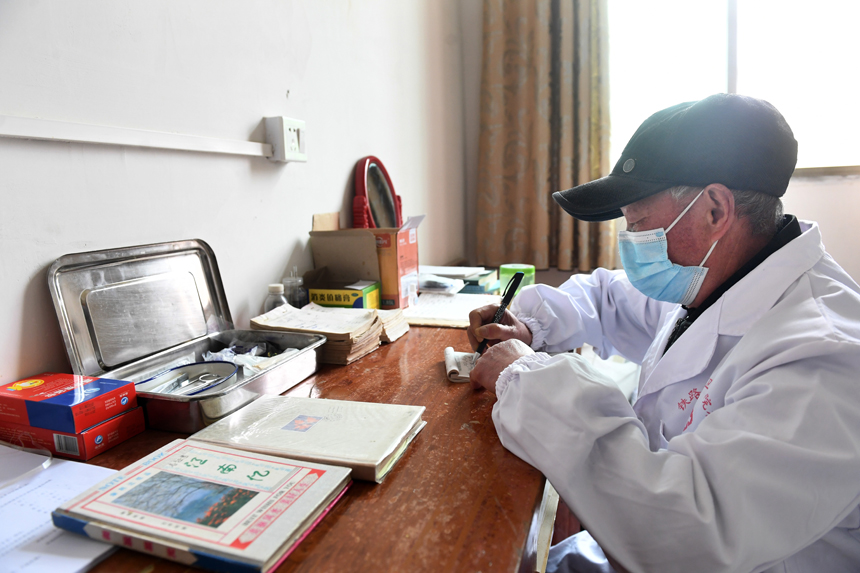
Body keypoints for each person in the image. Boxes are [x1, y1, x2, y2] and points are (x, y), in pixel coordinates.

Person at [468, 94, 860, 573]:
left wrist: (528, 378)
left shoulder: (823, 355)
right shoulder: (714, 277)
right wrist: (532, 324)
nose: (630, 240)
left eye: (638, 223)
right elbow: (608, 298)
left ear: (715, 210)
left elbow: (690, 532)